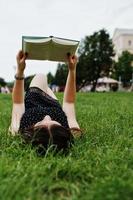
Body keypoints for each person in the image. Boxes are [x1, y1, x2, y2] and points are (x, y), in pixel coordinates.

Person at [9, 50, 82, 154]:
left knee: (41, 76)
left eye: (40, 123)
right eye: (54, 122)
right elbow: (69, 102)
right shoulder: (72, 130)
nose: (47, 116)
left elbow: (17, 103)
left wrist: (20, 71)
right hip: (52, 104)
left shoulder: (18, 129)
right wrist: (72, 69)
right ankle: (46, 88)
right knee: (46, 86)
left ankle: (44, 88)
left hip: (34, 98)